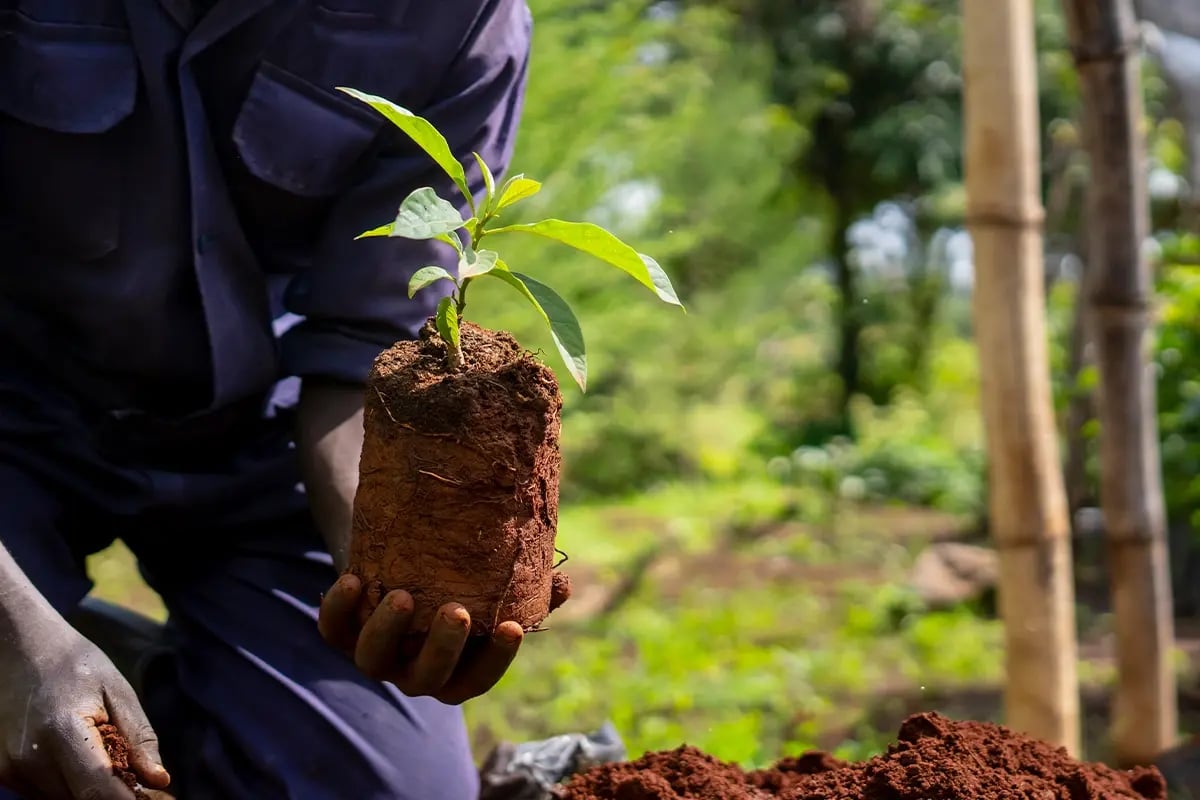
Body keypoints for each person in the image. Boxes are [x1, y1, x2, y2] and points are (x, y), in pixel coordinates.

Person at [0, 1, 532, 798]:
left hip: (265, 444)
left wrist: (387, 560)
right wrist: (16, 643)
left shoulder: (454, 17)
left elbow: (361, 346)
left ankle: (164, 679)